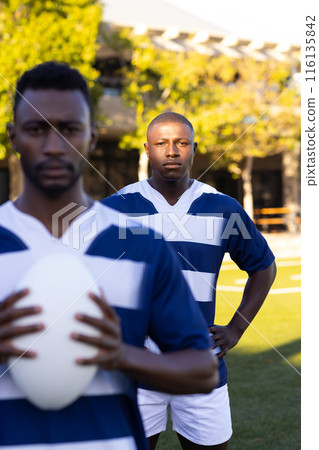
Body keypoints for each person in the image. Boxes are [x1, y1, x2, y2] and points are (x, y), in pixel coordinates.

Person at [0, 64, 219, 449]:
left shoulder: (141, 245)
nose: (54, 145)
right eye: (37, 129)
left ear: (93, 137)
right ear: (14, 136)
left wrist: (121, 356)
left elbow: (202, 371)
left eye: (69, 129)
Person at [103, 112, 277, 450]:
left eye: (181, 143)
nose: (172, 151)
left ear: (194, 149)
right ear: (147, 150)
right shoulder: (115, 208)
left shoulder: (222, 208)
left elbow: (264, 267)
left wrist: (236, 329)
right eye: (161, 143)